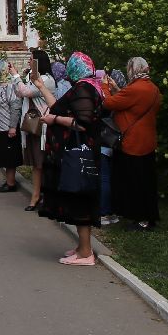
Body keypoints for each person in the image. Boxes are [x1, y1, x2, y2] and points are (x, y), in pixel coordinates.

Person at [39, 51, 103, 265]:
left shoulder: (84, 89)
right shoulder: (86, 86)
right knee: (76, 197)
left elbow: (83, 123)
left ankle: (86, 253)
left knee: (79, 198)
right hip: (78, 153)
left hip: (79, 154)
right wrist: (40, 87)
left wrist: (55, 119)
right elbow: (59, 105)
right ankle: (82, 247)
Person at [102, 56, 162, 230]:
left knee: (134, 182)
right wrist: (117, 89)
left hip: (133, 143)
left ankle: (139, 218)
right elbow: (131, 103)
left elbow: (108, 103)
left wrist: (105, 87)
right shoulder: (153, 88)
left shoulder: (135, 89)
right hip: (148, 141)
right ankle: (147, 217)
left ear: (132, 70)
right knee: (146, 181)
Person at [16, 49, 56, 212]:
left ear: (39, 62)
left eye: (32, 59)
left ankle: (42, 196)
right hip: (32, 125)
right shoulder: (32, 78)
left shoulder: (46, 80)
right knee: (36, 163)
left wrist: (15, 76)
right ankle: (37, 194)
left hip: (43, 126)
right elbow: (19, 93)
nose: (29, 62)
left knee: (42, 162)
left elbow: (25, 91)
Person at [0, 57, 24, 193]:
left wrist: (13, 127)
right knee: (3, 155)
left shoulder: (10, 85)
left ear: (3, 70)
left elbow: (15, 106)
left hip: (7, 127)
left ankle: (11, 183)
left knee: (9, 156)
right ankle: (9, 180)